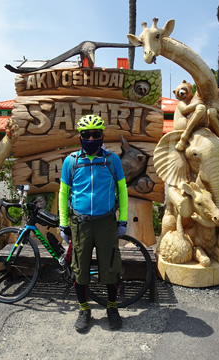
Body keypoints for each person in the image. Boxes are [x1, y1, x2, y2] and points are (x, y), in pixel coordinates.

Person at [58, 114, 129, 333]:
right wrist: (63, 224)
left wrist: (123, 220)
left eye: (95, 135)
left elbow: (123, 191)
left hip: (106, 222)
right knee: (80, 269)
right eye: (86, 135)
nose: (91, 138)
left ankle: (112, 308)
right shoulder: (72, 161)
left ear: (102, 136)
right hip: (80, 224)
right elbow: (63, 193)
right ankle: (84, 309)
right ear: (80, 137)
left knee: (110, 267)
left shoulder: (111, 159)